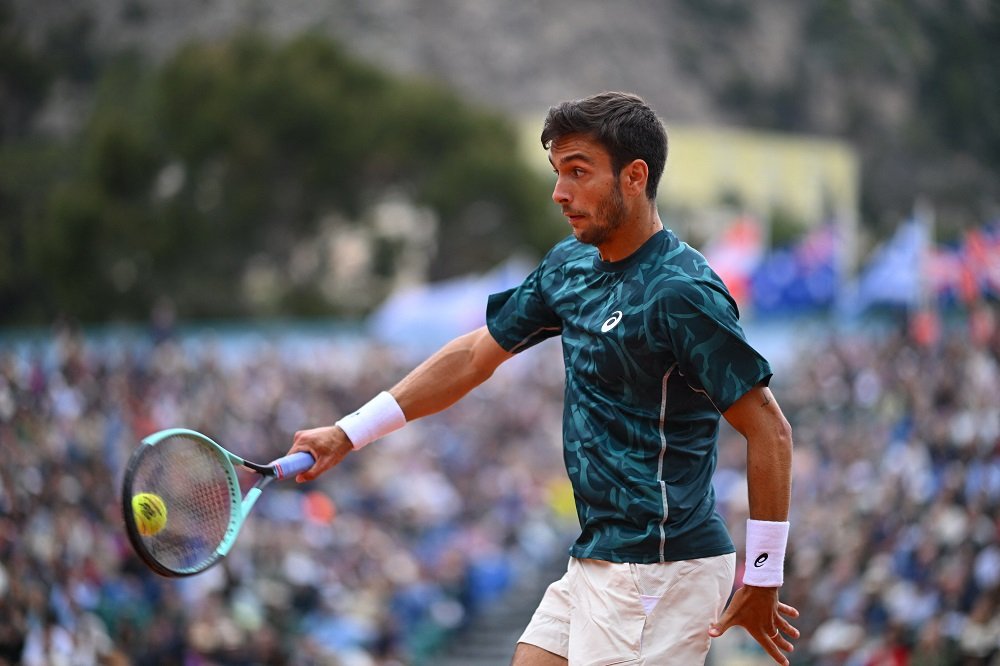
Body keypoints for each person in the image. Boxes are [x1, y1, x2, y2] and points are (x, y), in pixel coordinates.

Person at [288, 91, 799, 665]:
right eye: (558, 173)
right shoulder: (569, 265)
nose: (560, 193)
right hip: (598, 555)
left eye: (578, 173)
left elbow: (770, 431)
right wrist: (348, 432)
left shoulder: (683, 292)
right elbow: (474, 356)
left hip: (662, 568)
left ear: (634, 177)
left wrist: (763, 574)